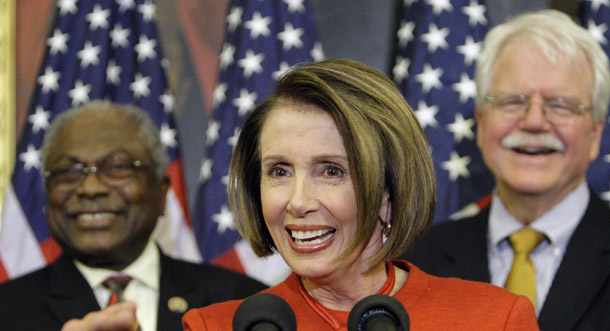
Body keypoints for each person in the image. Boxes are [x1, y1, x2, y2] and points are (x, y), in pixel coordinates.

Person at [181, 59, 539, 330]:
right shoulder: (215, 327)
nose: (299, 201)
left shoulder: (492, 319)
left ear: (389, 190)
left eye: (331, 171)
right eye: (279, 172)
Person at [402, 10, 610, 331]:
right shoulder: (417, 260)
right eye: (512, 101)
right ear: (482, 124)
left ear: (595, 134)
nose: (533, 122)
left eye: (560, 104)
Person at [0, 101, 266, 331]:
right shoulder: (7, 310)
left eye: (118, 167)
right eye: (68, 172)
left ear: (161, 193)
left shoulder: (241, 302)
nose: (90, 188)